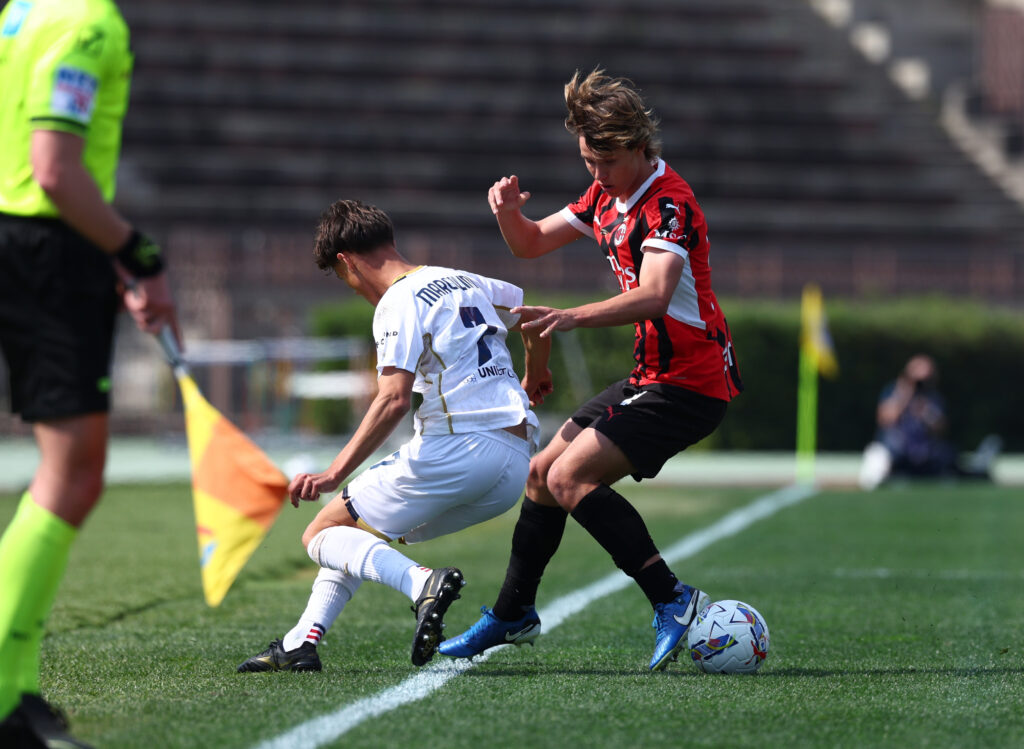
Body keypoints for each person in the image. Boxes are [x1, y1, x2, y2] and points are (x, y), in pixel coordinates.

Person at [438, 69, 743, 671]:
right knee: (540, 474)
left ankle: (672, 598)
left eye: (605, 161)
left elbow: (655, 296)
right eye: (587, 160)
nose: (596, 173)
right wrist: (506, 214)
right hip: (650, 375)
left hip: (692, 382)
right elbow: (530, 243)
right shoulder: (605, 196)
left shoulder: (669, 203)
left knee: (569, 478)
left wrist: (571, 317)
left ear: (639, 146)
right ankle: (512, 613)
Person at [237, 199, 552, 672]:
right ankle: (302, 642)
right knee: (354, 530)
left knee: (321, 532)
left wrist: (333, 473)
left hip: (461, 447)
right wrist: (537, 372)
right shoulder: (463, 279)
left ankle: (421, 584)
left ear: (346, 261)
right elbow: (534, 315)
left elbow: (393, 400)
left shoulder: (398, 301)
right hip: (515, 460)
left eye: (341, 277)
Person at [0, 1, 179, 747]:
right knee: (72, 473)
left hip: (27, 240)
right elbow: (54, 170)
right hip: (45, 249)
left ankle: (16, 692)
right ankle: (5, 695)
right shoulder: (89, 23)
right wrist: (137, 253)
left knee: (64, 471)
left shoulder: (22, 11)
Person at [858, 354, 1000, 490]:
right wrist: (904, 395)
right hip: (896, 453)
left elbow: (941, 429)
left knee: (948, 458)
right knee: (878, 458)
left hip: (926, 455)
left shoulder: (933, 397)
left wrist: (925, 412)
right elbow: (885, 419)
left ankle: (977, 468)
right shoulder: (893, 392)